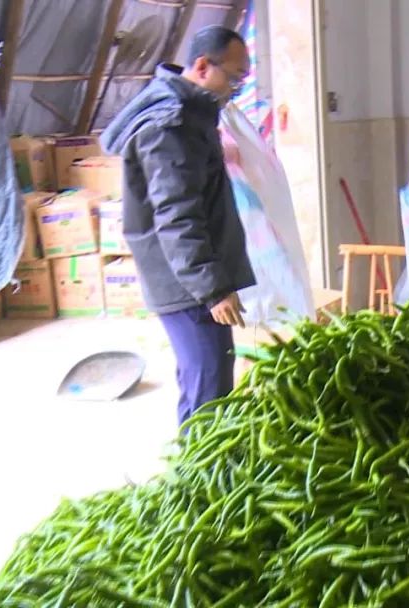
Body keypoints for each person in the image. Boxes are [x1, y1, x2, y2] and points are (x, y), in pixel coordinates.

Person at [101, 26, 255, 425]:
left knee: (210, 376)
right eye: (235, 78)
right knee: (207, 385)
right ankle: (196, 481)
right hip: (185, 281)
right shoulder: (170, 124)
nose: (236, 89)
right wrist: (213, 289)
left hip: (192, 277)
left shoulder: (190, 115)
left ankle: (202, 473)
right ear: (203, 67)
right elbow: (176, 215)